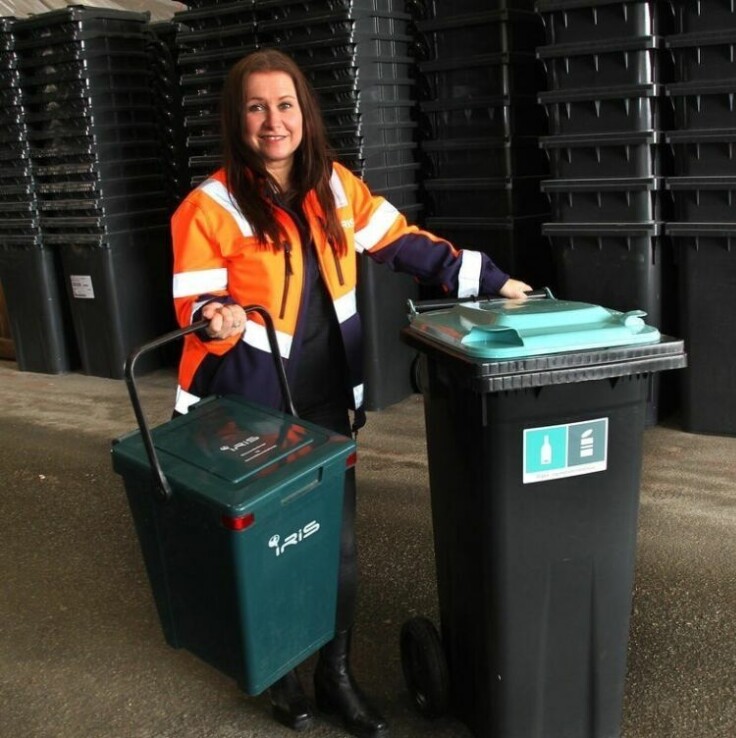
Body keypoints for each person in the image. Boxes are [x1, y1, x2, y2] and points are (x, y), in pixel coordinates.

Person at [169, 49, 531, 737]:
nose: (272, 121)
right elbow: (194, 305)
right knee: (269, 547)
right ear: (235, 118)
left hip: (327, 397)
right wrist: (219, 317)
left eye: (285, 105)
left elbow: (402, 244)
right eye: (255, 107)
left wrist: (490, 280)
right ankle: (284, 677)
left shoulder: (335, 188)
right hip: (246, 407)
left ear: (304, 114)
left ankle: (337, 673)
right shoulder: (207, 208)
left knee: (333, 544)